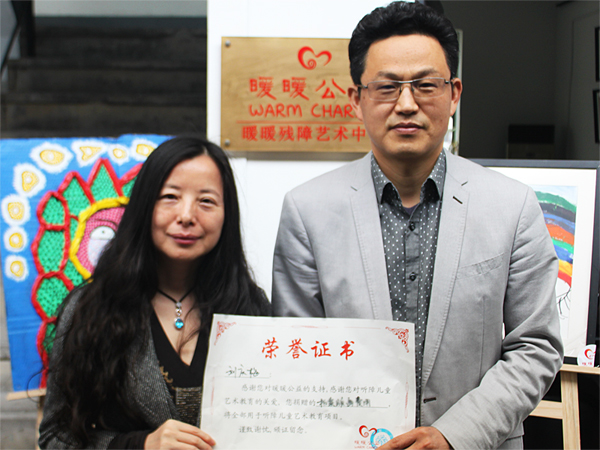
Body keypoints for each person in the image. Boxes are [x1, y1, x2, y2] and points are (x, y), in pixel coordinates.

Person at [271, 2, 563, 449]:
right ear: (357, 99)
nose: (406, 105)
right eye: (387, 87)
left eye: (426, 85)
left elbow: (536, 346)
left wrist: (454, 435)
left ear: (454, 93)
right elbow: (298, 350)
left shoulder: (513, 205)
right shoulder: (307, 210)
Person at [39, 136, 271, 449]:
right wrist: (140, 445)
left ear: (226, 215)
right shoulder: (91, 308)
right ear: (144, 207)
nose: (186, 215)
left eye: (206, 201)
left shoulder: (251, 308)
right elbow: (55, 436)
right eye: (170, 197)